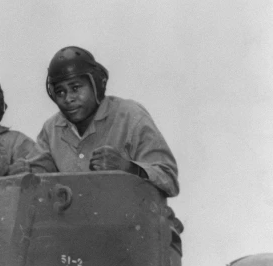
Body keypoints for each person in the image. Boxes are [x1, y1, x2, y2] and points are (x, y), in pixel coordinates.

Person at [16, 46, 179, 197]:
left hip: (133, 222)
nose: (68, 98)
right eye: (60, 92)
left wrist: (128, 168)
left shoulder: (130, 115)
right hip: (79, 225)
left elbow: (169, 179)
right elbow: (39, 176)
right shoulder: (52, 129)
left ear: (97, 85)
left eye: (75, 88)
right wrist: (23, 173)